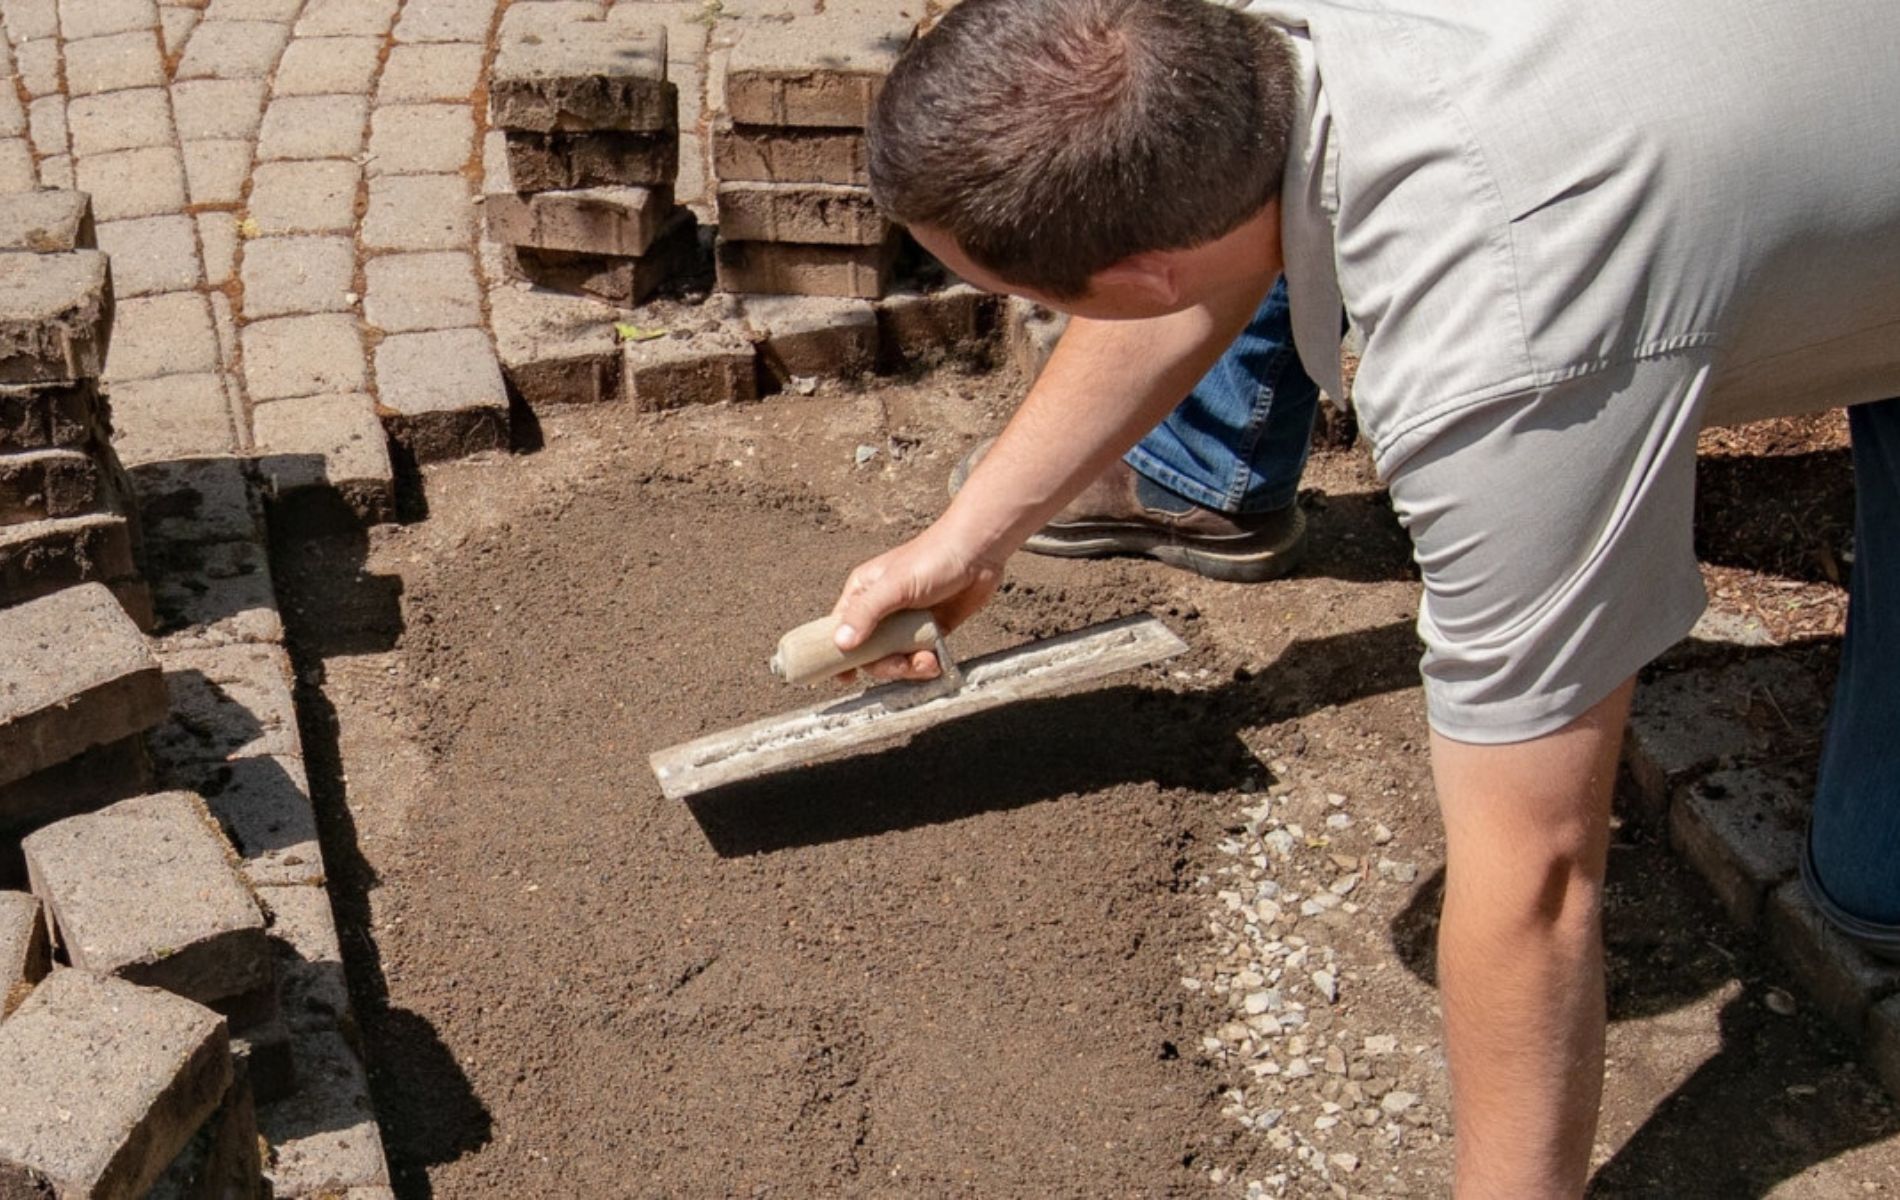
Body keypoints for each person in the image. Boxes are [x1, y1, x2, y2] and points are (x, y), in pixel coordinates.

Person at [822, 0, 1900, 1193]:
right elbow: (1201, 259)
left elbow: (1538, 872)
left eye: (1046, 297)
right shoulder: (1255, 64)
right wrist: (973, 537)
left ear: (1136, 275)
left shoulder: (1501, 350)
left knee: (1872, 886)